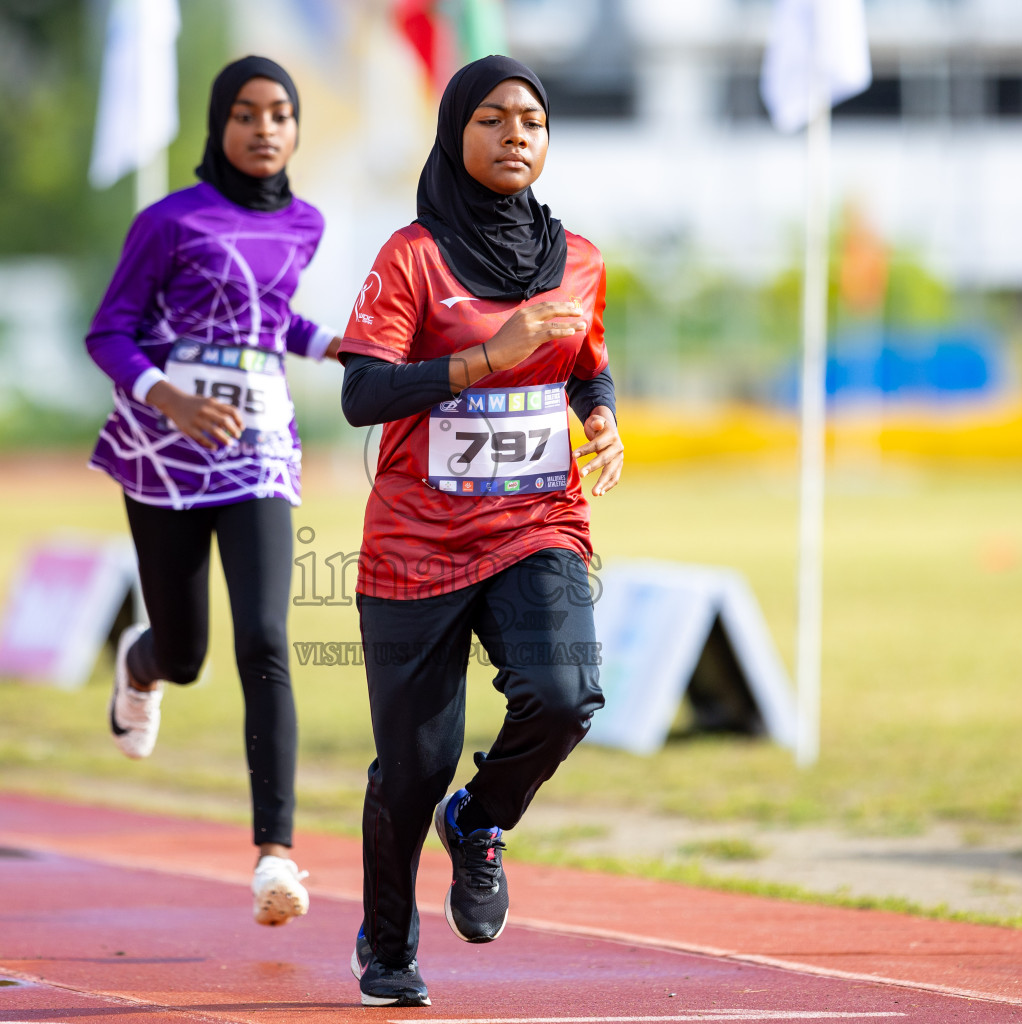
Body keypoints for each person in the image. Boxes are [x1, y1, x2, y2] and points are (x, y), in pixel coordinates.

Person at [335, 55, 625, 1007]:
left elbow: (586, 363)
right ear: (456, 133)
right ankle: (386, 943)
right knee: (412, 764)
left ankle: (481, 817)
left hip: (538, 521)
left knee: (567, 691)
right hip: (418, 540)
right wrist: (482, 363)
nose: (515, 136)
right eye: (494, 119)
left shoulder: (579, 257)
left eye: (533, 121)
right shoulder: (411, 256)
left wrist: (601, 418)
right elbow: (362, 393)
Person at [84, 56, 340, 928]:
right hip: (165, 445)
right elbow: (109, 331)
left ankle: (277, 856)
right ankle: (141, 661)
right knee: (188, 652)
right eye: (245, 112)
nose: (263, 128)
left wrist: (334, 344)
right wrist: (172, 399)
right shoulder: (168, 220)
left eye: (278, 113)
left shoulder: (307, 223)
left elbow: (272, 318)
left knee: (265, 636)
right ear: (217, 126)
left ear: (296, 129)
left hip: (261, 446)